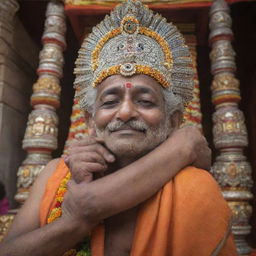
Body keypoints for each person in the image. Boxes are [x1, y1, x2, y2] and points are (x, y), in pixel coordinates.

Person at [0, 0, 237, 255]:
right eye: (110, 102)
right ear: (91, 120)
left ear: (173, 120)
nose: (125, 112)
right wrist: (73, 223)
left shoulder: (194, 188)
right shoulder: (55, 175)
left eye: (145, 101)